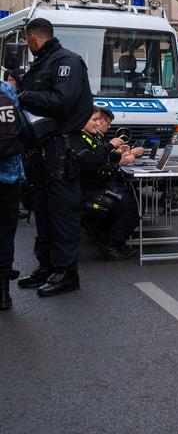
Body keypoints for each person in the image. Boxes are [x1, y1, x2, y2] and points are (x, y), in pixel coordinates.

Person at [16, 17, 94, 297]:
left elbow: (61, 102)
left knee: (62, 211)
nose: (28, 45)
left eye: (27, 40)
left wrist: (24, 96)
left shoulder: (67, 62)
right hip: (42, 145)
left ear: (33, 37)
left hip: (62, 146)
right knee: (44, 209)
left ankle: (66, 273)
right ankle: (47, 266)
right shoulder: (42, 63)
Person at [79, 106, 142, 260]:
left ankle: (112, 238)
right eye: (94, 120)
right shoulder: (80, 139)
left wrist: (115, 156)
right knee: (131, 205)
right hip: (85, 191)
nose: (97, 123)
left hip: (93, 185)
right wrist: (111, 148)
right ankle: (110, 243)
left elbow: (103, 165)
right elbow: (89, 165)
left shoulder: (91, 136)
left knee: (131, 194)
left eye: (98, 120)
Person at [0, 77, 24, 310]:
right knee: (5, 233)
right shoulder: (7, 89)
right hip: (7, 174)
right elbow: (20, 129)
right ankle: (3, 292)